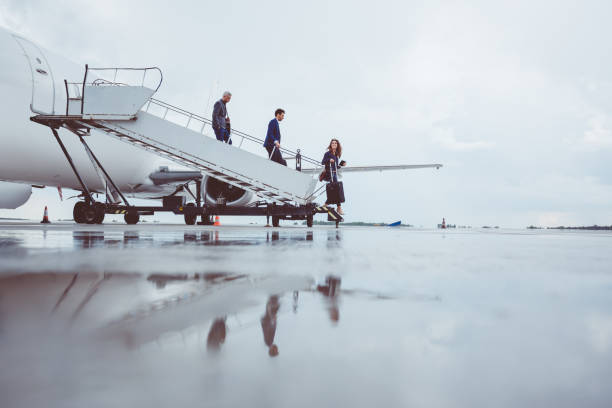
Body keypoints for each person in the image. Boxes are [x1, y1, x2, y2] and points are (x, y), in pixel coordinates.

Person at [321, 138, 346, 215]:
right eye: (332, 143)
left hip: (334, 173)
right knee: (336, 188)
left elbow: (336, 167)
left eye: (335, 143)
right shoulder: (327, 154)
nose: (334, 144)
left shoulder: (337, 155)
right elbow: (322, 162)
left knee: (335, 189)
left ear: (337, 145)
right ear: (330, 145)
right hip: (329, 173)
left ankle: (327, 204)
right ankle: (338, 207)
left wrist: (341, 165)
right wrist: (329, 160)